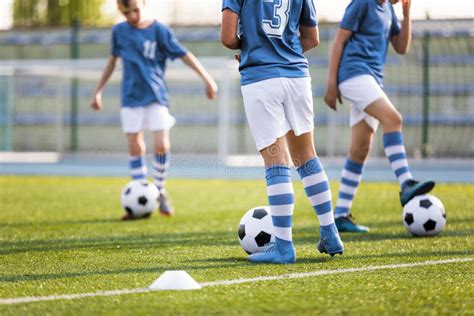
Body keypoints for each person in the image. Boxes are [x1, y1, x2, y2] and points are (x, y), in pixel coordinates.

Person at [221, 0, 344, 264]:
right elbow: (311, 38)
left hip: (260, 78)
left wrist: (251, 47)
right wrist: (283, 49)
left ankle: (284, 248)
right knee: (307, 158)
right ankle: (330, 232)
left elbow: (227, 37)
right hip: (297, 76)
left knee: (276, 163)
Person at [90, 0, 218, 219]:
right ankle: (140, 192)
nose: (132, 16)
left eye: (136, 10)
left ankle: (159, 190)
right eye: (126, 12)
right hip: (130, 97)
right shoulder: (119, 32)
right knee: (135, 145)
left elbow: (185, 54)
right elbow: (112, 62)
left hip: (156, 95)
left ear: (144, 3)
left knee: (161, 143)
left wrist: (207, 79)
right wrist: (98, 91)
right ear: (120, 11)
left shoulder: (159, 30)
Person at [324, 0, 435, 232]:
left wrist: (406, 14)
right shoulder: (362, 3)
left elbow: (401, 47)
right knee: (394, 119)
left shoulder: (389, 11)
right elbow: (339, 41)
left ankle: (341, 215)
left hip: (371, 80)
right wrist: (331, 83)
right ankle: (406, 183)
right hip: (354, 74)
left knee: (360, 149)